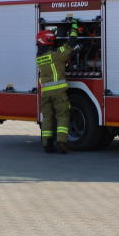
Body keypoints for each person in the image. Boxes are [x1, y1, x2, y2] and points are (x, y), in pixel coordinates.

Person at [35, 18, 80, 153]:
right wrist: (74, 28)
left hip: (46, 94)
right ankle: (61, 143)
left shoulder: (39, 58)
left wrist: (52, 33)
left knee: (47, 118)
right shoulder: (57, 56)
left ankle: (47, 144)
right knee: (62, 116)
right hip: (59, 93)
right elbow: (70, 45)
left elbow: (55, 49)